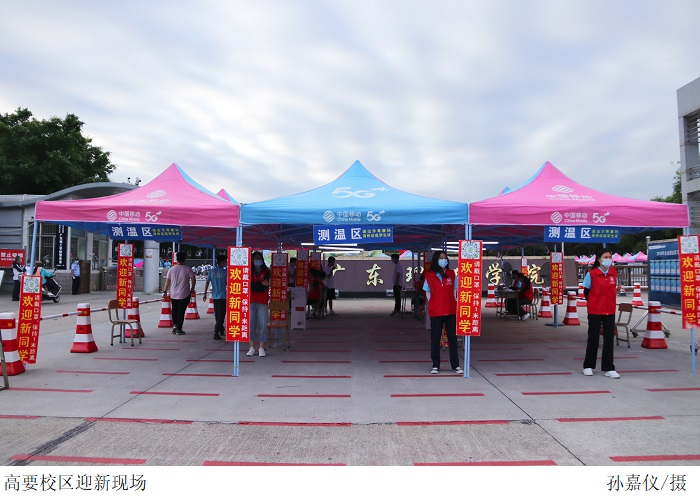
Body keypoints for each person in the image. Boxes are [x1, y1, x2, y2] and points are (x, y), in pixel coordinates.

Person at [582, 249, 621, 379]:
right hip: (595, 310)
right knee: (593, 338)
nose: (608, 259)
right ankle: (588, 366)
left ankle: (609, 368)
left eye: (610, 257)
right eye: (606, 257)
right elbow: (586, 292)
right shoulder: (592, 274)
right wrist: (593, 302)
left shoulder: (613, 272)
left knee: (609, 339)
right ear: (599, 259)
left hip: (609, 310)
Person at [423, 251, 463, 375]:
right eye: (441, 258)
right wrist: (435, 303)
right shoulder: (429, 275)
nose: (443, 260)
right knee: (435, 338)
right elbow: (428, 292)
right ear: (436, 260)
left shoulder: (451, 274)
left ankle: (455, 365)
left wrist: (453, 301)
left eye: (445, 258)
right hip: (436, 311)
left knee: (452, 339)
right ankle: (435, 365)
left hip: (450, 310)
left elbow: (455, 290)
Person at [162, 251, 196, 335]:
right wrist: (192, 288)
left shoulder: (172, 269)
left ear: (177, 259)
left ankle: (174, 325)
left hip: (173, 294)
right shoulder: (188, 269)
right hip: (184, 294)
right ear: (185, 259)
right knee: (181, 311)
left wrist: (165, 291)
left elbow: (167, 281)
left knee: (174, 310)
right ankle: (179, 328)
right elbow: (193, 279)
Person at [248, 251, 270, 357]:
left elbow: (265, 286)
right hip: (251, 301)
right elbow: (248, 285)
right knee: (251, 326)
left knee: (263, 326)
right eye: (255, 258)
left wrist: (256, 285)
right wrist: (260, 283)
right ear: (252, 260)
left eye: (259, 258)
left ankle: (261, 347)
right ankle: (251, 347)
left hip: (262, 301)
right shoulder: (249, 271)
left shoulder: (266, 271)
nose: (257, 260)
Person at [203, 253, 227, 340]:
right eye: (225, 261)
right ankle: (216, 332)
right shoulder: (225, 272)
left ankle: (221, 329)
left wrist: (205, 293)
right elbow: (228, 283)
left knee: (217, 314)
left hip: (215, 296)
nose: (226, 263)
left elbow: (207, 282)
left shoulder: (212, 271)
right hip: (223, 296)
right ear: (222, 262)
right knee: (221, 315)